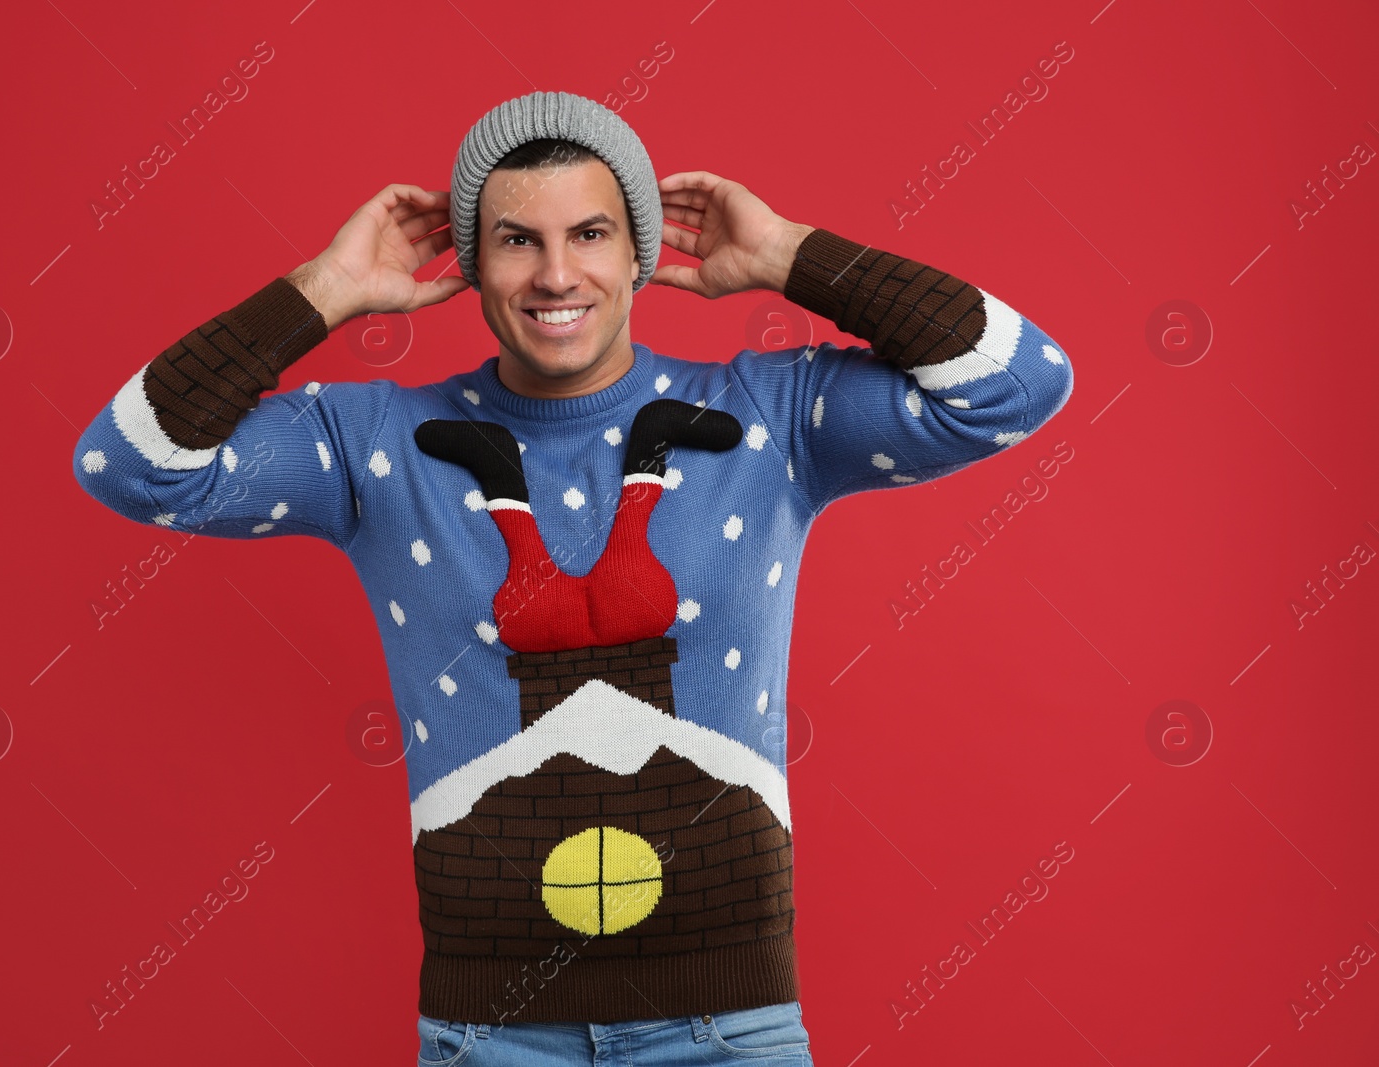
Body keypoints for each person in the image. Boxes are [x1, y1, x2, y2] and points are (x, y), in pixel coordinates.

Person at [71, 90, 1073, 1066]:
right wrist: (321, 292)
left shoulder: (770, 417)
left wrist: (787, 256)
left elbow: (1019, 382)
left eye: (590, 233)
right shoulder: (374, 441)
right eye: (517, 240)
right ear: (470, 263)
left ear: (637, 251)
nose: (556, 274)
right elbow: (127, 465)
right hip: (489, 1037)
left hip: (732, 1031)